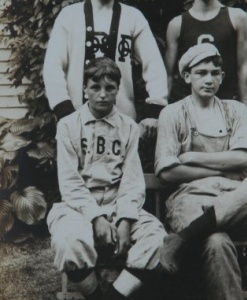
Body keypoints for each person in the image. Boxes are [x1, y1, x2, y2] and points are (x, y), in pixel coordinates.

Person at [155, 43, 247, 299]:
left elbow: (243, 157)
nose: (209, 79)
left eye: (215, 72)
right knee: (215, 241)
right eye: (201, 72)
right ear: (186, 76)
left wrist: (193, 157)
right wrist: (222, 171)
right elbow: (167, 173)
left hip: (236, 200)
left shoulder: (235, 110)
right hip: (190, 199)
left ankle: (183, 238)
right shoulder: (172, 114)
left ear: (222, 76)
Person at [47, 57, 167, 300]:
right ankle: (94, 295)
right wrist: (96, 217)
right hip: (78, 206)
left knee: (157, 239)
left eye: (109, 88)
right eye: (95, 87)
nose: (102, 94)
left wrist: (125, 219)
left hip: (118, 203)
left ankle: (113, 296)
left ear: (117, 90)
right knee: (68, 239)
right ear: (85, 89)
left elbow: (132, 181)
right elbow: (70, 182)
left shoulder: (128, 127)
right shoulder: (68, 125)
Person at [43, 0, 168, 139]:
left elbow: (153, 64)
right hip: (74, 124)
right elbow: (52, 66)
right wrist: (63, 109)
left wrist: (156, 106)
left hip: (122, 125)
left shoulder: (133, 17)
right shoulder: (69, 15)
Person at [165, 0, 247, 109]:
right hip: (188, 109)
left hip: (224, 107)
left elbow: (243, 68)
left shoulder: (236, 17)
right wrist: (158, 113)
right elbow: (168, 75)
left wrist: (244, 115)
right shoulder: (177, 24)